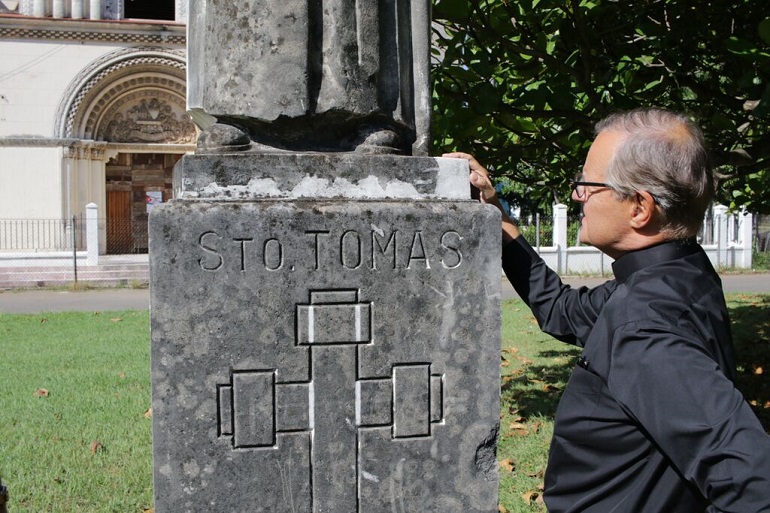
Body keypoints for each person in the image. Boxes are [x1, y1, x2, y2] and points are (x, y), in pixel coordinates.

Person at [445, 107, 770, 512]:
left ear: (639, 207)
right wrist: (500, 218)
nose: (577, 194)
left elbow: (753, 481)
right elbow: (562, 309)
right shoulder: (679, 272)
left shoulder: (645, 324)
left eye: (588, 184)